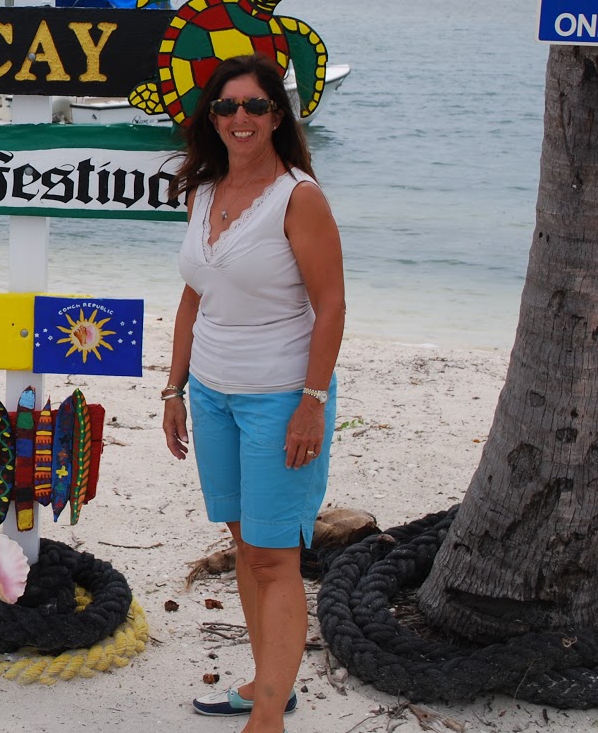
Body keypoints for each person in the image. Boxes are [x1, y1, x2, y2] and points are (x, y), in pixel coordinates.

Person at [161, 53, 345, 733]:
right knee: (245, 544)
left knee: (276, 555)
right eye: (227, 106)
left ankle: (268, 715)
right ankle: (270, 683)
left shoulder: (299, 197)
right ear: (212, 118)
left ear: (277, 116)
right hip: (211, 394)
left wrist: (312, 401)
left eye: (255, 106)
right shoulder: (204, 191)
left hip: (279, 398)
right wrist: (174, 389)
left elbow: (331, 306)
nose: (240, 117)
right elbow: (193, 297)